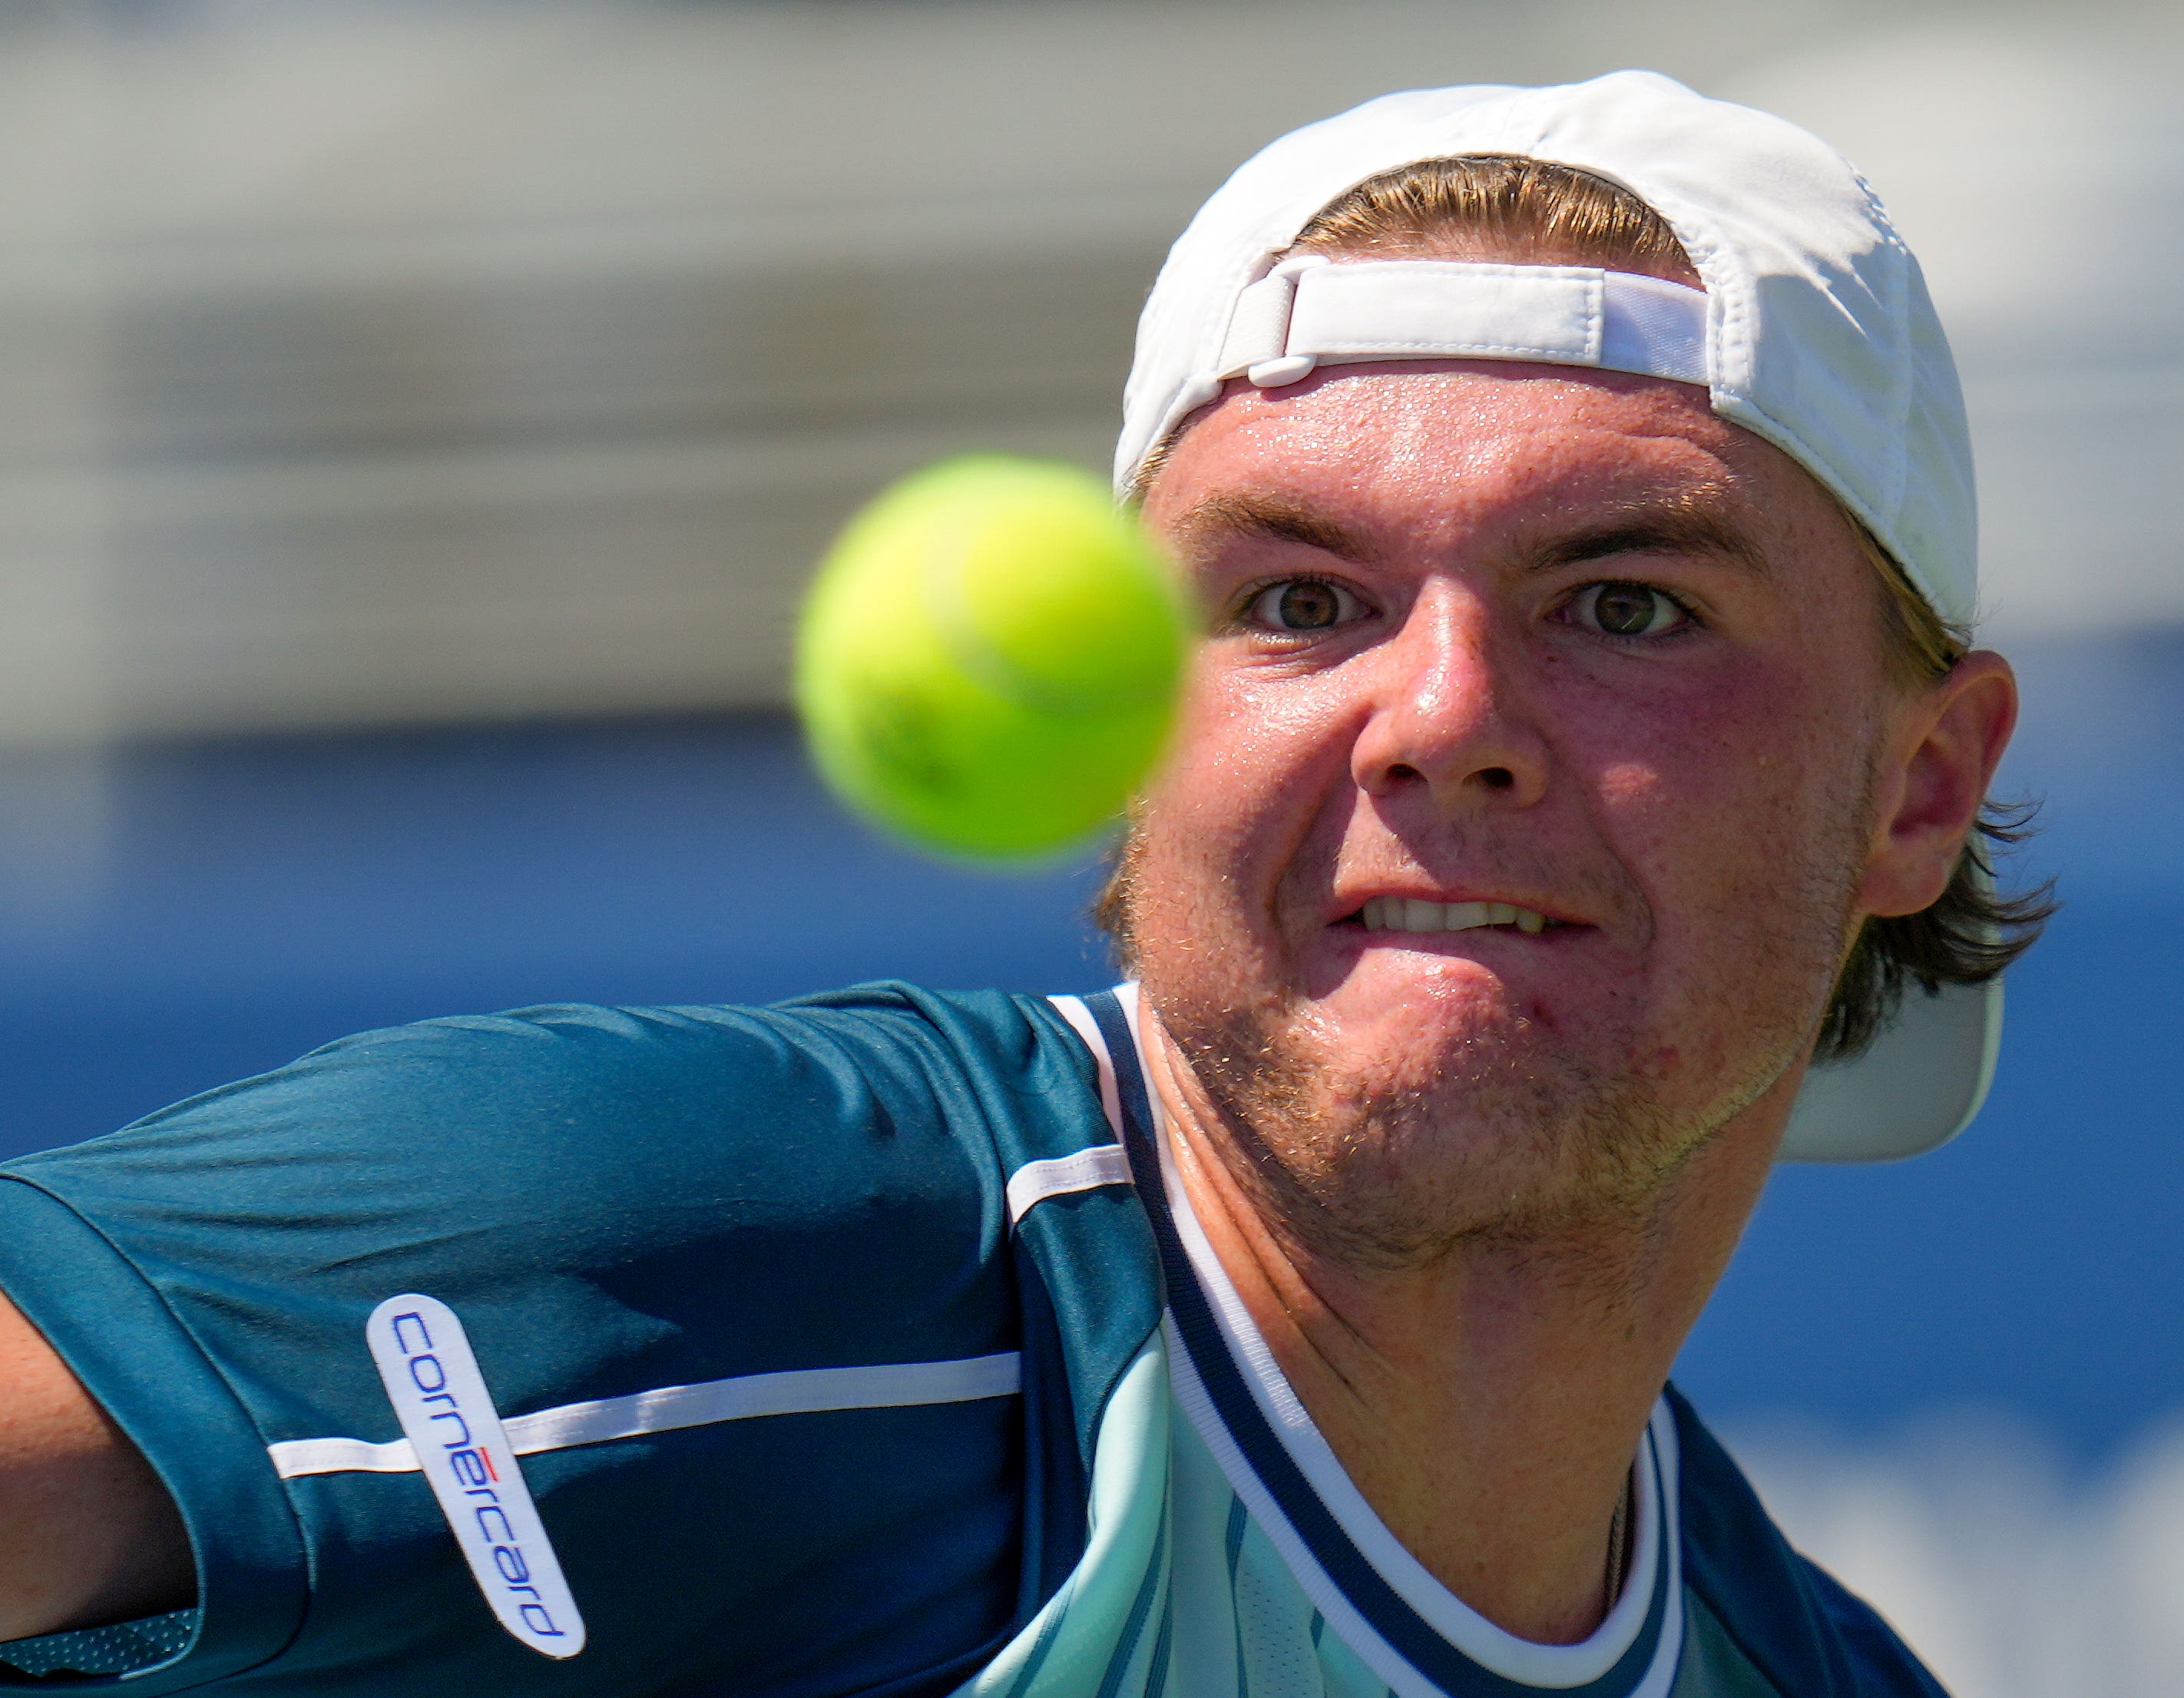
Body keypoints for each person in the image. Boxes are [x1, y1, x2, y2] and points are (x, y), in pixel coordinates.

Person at [0, 71, 2047, 1697]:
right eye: (1296, 597)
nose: (1438, 713)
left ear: (1918, 783)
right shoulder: (676, 1240)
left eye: (1622, 599)